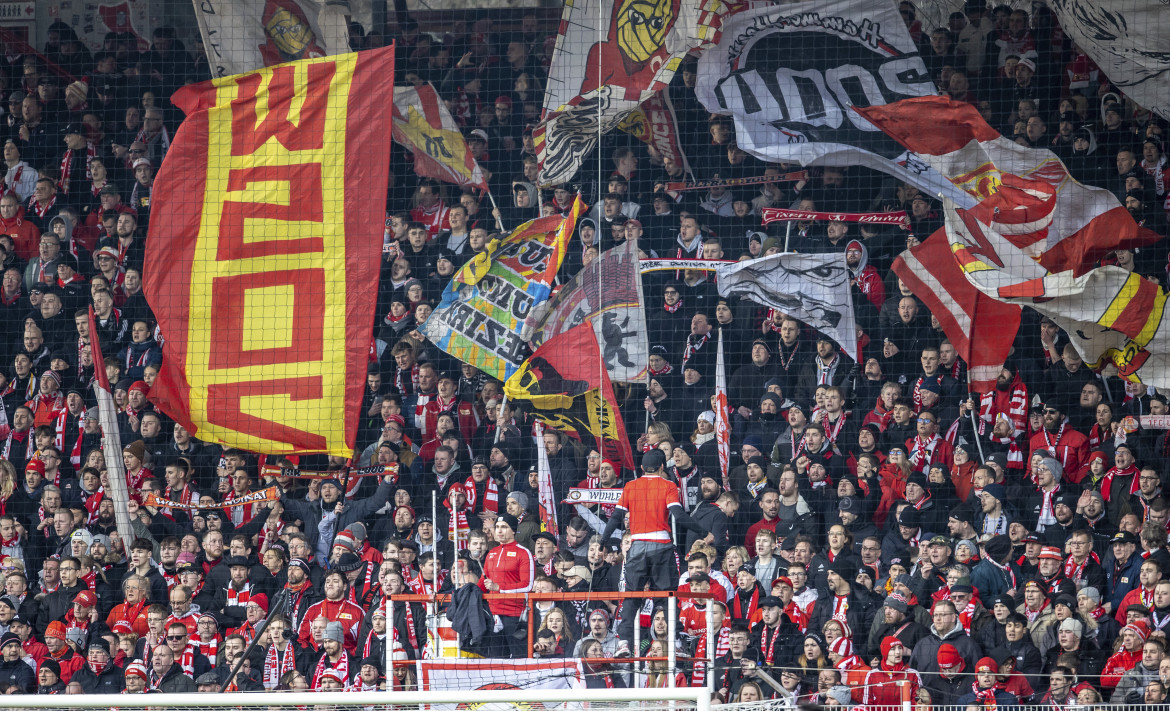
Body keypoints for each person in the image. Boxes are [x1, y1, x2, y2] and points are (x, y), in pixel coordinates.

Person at [601, 449, 712, 656]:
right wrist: (704, 532)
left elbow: (616, 517)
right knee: (667, 596)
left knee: (632, 597)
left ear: (642, 468)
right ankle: (676, 643)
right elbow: (679, 516)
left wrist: (603, 540)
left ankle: (623, 643)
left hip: (636, 547)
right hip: (662, 546)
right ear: (662, 467)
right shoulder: (669, 485)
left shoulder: (630, 486)